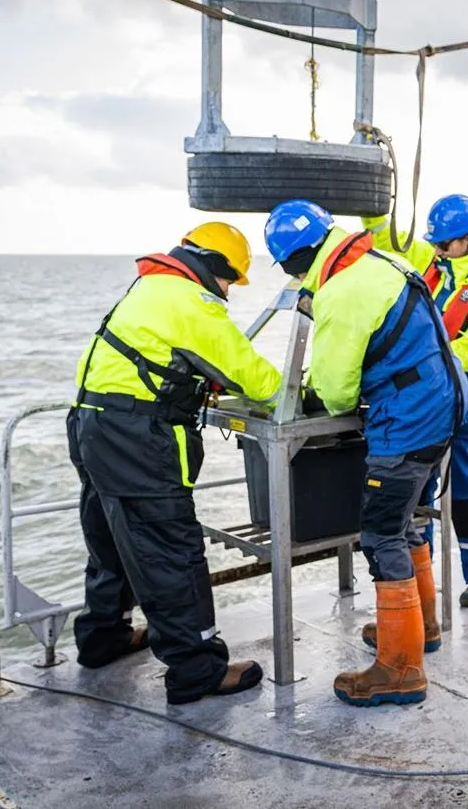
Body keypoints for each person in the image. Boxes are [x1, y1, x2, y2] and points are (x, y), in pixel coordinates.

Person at [264, 199, 468, 707]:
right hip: (441, 406)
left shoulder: (343, 289)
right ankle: (420, 630)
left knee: (381, 537)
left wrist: (312, 390)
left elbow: (335, 391)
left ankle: (400, 671)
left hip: (409, 420)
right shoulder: (383, 261)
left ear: (296, 260)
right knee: (410, 523)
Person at [70, 222, 281, 705]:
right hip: (136, 439)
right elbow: (254, 376)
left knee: (110, 539)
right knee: (169, 548)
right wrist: (303, 395)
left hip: (92, 425)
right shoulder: (192, 301)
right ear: (216, 268)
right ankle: (197, 669)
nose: (229, 292)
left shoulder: (150, 287)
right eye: (231, 281)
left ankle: (104, 637)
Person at [365, 195, 468, 608]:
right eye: (434, 244)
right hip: (434, 382)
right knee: (420, 479)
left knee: (466, 476)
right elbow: (385, 238)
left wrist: (430, 365)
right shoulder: (433, 262)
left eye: (445, 245)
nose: (436, 251)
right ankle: (421, 579)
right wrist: (372, 198)